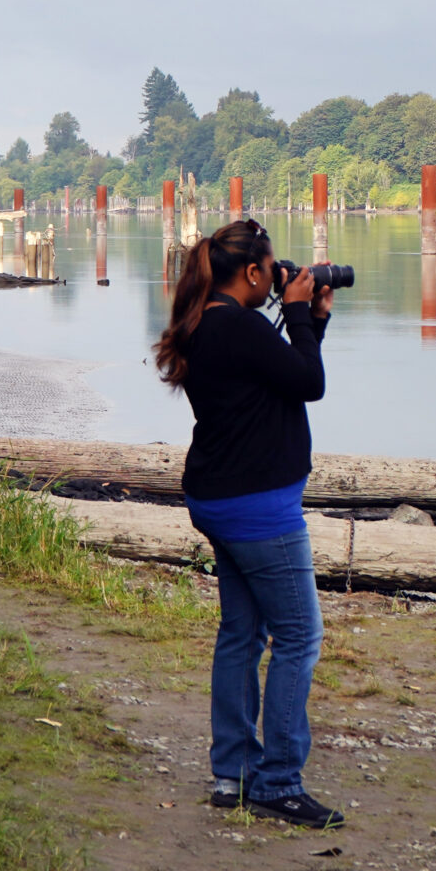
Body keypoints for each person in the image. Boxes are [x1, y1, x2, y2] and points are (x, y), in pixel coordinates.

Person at [153, 217, 343, 829]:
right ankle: (278, 783)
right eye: (270, 271)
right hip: (259, 508)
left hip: (220, 499)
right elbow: (309, 382)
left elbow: (283, 380)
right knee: (299, 636)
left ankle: (232, 775)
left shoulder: (210, 320)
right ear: (254, 272)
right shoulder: (240, 326)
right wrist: (302, 317)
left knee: (242, 632)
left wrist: (307, 318)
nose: (277, 278)